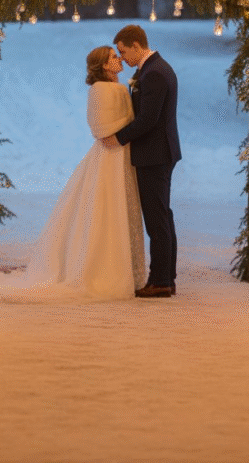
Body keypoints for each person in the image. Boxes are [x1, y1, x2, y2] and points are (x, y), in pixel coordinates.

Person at [15, 46, 145, 300]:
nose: (119, 59)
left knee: (118, 208)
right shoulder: (103, 89)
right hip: (111, 154)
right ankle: (105, 271)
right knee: (108, 209)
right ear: (104, 65)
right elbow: (101, 126)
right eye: (113, 57)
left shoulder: (116, 87)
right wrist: (125, 130)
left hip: (121, 153)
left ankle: (125, 271)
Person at [102, 25, 181, 298]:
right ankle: (166, 277)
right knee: (163, 216)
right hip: (158, 152)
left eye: (123, 52)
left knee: (157, 219)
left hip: (155, 155)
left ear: (136, 45)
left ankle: (160, 281)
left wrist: (118, 138)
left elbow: (148, 119)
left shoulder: (154, 73)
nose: (122, 58)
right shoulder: (152, 69)